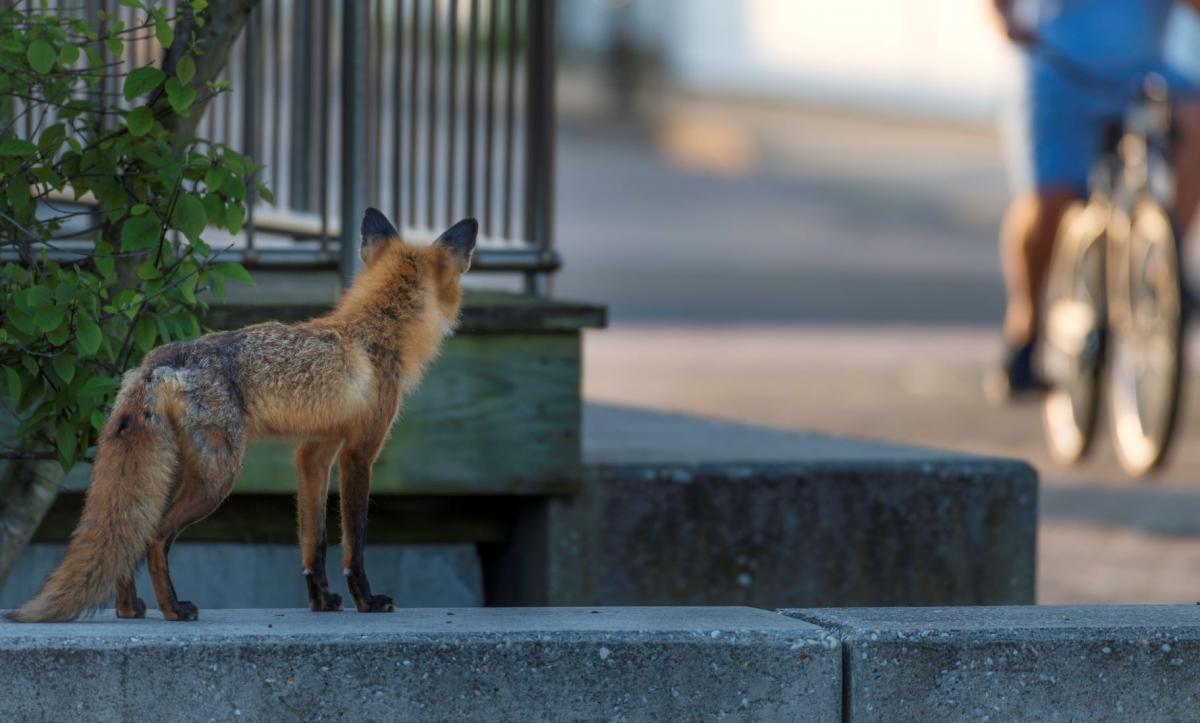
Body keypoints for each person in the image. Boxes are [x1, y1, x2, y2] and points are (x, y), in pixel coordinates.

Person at [989, 0, 1200, 399]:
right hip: (1059, 67)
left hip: (1143, 74)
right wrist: (1004, 17)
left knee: (1196, 119)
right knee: (1052, 204)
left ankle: (1163, 259)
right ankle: (1026, 326)